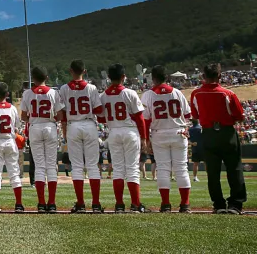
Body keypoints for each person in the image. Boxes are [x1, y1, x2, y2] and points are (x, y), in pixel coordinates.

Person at [190, 63, 247, 214]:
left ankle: (218, 204)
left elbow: (195, 115)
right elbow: (240, 116)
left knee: (213, 172)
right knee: (234, 169)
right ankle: (236, 204)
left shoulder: (196, 93)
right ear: (220, 76)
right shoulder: (228, 93)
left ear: (203, 76)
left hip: (208, 134)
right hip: (227, 133)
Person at [141, 65, 192, 213]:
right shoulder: (177, 92)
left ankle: (166, 204)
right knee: (181, 169)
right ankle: (185, 204)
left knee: (163, 169)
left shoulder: (148, 95)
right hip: (178, 132)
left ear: (153, 77)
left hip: (159, 133)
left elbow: (145, 120)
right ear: (167, 77)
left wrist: (146, 139)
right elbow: (188, 115)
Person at [100, 64, 147, 213]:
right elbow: (140, 118)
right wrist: (144, 137)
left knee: (118, 170)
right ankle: (135, 204)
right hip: (130, 131)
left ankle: (119, 204)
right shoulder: (130, 93)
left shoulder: (103, 95)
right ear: (123, 77)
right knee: (132, 169)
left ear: (109, 77)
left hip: (113, 131)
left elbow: (101, 119)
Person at [58, 59, 104, 213]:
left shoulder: (64, 88)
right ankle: (96, 204)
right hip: (89, 124)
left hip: (73, 125)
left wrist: (64, 130)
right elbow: (98, 110)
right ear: (84, 71)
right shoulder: (91, 88)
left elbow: (62, 113)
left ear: (70, 70)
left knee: (77, 166)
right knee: (92, 165)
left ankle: (81, 203)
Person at [21, 68, 64, 213]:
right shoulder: (53, 92)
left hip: (35, 127)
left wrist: (33, 119)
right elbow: (59, 115)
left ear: (33, 78)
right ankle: (51, 203)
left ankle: (41, 203)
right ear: (46, 76)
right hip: (50, 126)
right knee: (51, 166)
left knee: (39, 166)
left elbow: (23, 116)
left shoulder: (27, 93)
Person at [0, 82, 24, 213]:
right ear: (7, 94)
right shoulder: (13, 108)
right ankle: (19, 204)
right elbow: (17, 127)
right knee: (14, 172)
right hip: (10, 141)